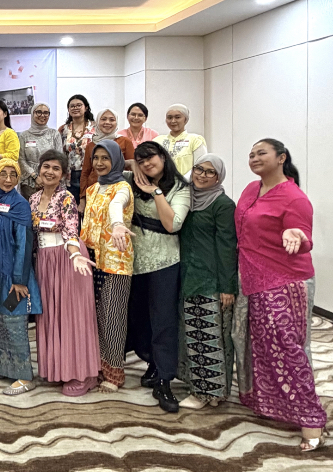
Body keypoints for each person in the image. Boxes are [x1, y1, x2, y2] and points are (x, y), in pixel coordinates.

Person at [234, 138, 327, 451]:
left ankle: (312, 422)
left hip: (285, 281)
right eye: (251, 154)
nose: (254, 158)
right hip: (252, 279)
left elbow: (303, 237)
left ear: (281, 158)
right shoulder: (251, 189)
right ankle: (274, 405)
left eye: (261, 153)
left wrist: (295, 234)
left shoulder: (294, 197)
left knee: (289, 349)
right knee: (260, 347)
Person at [124, 141, 190, 413]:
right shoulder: (133, 181)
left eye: (150, 157)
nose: (146, 163)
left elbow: (172, 224)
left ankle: (164, 378)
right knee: (139, 319)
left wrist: (157, 192)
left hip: (164, 263)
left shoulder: (180, 188)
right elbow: (111, 165)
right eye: (141, 160)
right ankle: (152, 361)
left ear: (163, 156)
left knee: (163, 321)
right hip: (135, 262)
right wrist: (131, 165)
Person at [29, 150, 100, 396]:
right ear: (39, 169)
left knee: (72, 316)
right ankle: (60, 369)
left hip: (68, 258)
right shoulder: (33, 198)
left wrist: (74, 254)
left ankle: (84, 374)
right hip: (45, 260)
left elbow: (71, 231)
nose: (50, 172)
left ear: (63, 174)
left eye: (56, 168)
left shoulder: (66, 197)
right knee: (51, 315)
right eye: (46, 166)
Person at [179, 154, 237, 410]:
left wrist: (227, 287)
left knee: (208, 335)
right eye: (198, 169)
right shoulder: (186, 198)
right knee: (194, 333)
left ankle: (205, 393)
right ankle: (212, 390)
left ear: (218, 177)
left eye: (209, 172)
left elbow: (227, 246)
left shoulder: (222, 204)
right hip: (187, 274)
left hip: (210, 278)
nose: (202, 175)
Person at [0, 159, 42, 395]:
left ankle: (24, 376)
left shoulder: (20, 205)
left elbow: (24, 244)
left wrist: (19, 280)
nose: (8, 179)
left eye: (13, 175)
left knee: (14, 322)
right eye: (3, 174)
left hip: (14, 277)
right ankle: (2, 366)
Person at [79, 140, 134, 393]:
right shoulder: (92, 189)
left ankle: (114, 373)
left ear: (116, 160)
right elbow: (86, 226)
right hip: (92, 261)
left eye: (105, 158)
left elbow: (116, 206)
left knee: (113, 318)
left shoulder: (123, 187)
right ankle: (97, 366)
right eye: (96, 158)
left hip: (115, 262)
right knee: (95, 317)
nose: (100, 163)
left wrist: (117, 225)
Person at [79, 109, 135, 210]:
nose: (107, 122)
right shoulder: (91, 145)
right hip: (94, 192)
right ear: (97, 122)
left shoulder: (124, 141)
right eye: (103, 119)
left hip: (117, 190)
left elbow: (132, 169)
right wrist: (83, 199)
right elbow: (85, 172)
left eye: (112, 119)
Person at [18, 103, 62, 200]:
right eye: (38, 112)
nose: (42, 115)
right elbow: (21, 159)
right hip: (29, 183)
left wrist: (45, 177)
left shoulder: (54, 134)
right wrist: (35, 176)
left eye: (46, 113)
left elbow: (59, 159)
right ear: (32, 114)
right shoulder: (24, 136)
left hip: (50, 179)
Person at [59, 95, 96, 202]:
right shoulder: (63, 129)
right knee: (71, 205)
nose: (75, 108)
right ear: (68, 109)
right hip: (69, 175)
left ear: (86, 108)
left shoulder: (95, 127)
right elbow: (59, 151)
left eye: (79, 105)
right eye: (72, 106)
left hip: (90, 172)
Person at [153, 104, 206, 177]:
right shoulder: (157, 141)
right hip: (161, 183)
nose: (173, 121)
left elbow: (200, 166)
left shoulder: (195, 140)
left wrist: (182, 181)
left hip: (187, 182)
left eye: (177, 117)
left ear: (185, 119)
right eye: (169, 117)